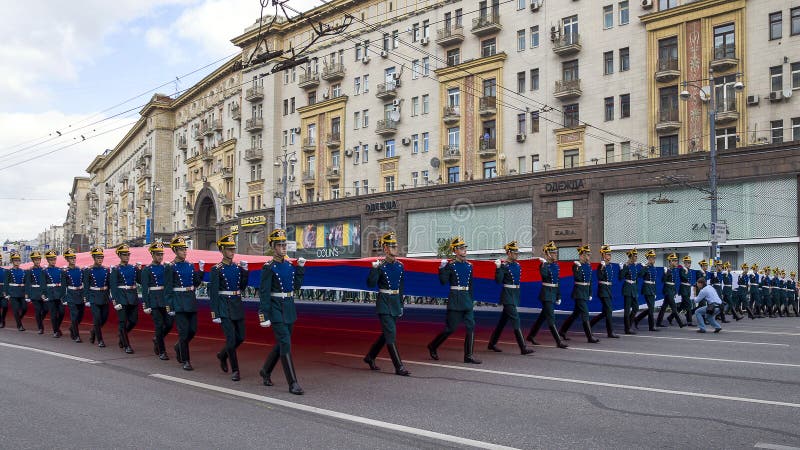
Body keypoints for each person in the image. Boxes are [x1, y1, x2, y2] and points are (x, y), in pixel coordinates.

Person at [259, 229, 306, 394]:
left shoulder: (289, 266)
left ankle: (265, 370)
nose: (283, 247)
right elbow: (264, 292)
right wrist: (263, 314)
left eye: (284, 244)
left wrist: (300, 269)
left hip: (289, 307)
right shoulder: (268, 267)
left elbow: (296, 287)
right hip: (276, 308)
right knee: (285, 343)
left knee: (281, 344)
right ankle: (293, 382)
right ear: (273, 246)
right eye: (279, 245)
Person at [364, 232, 413, 375]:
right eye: (392, 246)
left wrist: (401, 304)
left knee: (386, 334)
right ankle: (399, 367)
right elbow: (370, 284)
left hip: (395, 303)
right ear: (385, 249)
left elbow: (401, 287)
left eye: (395, 246)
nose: (395, 248)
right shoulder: (380, 266)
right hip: (384, 304)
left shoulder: (400, 266)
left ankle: (370, 356)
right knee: (391, 333)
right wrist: (373, 269)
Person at [428, 237, 482, 363]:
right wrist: (441, 269)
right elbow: (443, 282)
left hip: (466, 300)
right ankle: (433, 345)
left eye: (465, 248)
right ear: (455, 251)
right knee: (450, 329)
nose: (464, 250)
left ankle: (468, 356)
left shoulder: (469, 266)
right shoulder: (451, 265)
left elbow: (471, 285)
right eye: (461, 248)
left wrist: (471, 300)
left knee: (471, 327)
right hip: (456, 300)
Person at [209, 234, 249, 382]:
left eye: (233, 249)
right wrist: (215, 313)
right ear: (222, 250)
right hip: (224, 305)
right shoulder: (216, 269)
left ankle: (222, 354)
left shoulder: (238, 268)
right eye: (229, 249)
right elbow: (213, 293)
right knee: (231, 340)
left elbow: (242, 287)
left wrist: (245, 272)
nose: (232, 252)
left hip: (237, 304)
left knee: (241, 337)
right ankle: (236, 370)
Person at [487, 241, 535, 354]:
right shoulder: (504, 266)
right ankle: (523, 347)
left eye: (517, 252)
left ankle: (492, 343)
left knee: (502, 322)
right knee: (516, 319)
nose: (516, 254)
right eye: (514, 252)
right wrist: (498, 268)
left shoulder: (517, 265)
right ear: (508, 253)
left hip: (515, 294)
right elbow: (498, 281)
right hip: (507, 296)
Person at [165, 236, 204, 370]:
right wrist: (169, 306)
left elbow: (196, 283)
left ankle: (178, 346)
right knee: (183, 332)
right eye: (181, 250)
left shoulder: (190, 265)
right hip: (179, 302)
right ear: (175, 251)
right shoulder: (170, 267)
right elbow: (168, 288)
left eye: (185, 249)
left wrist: (201, 271)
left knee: (193, 330)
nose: (184, 252)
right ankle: (186, 361)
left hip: (190, 300)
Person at [526, 241, 569, 349]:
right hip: (546, 294)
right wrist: (544, 263)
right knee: (551, 317)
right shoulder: (544, 265)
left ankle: (531, 336)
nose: (555, 254)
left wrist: (558, 296)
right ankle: (558, 341)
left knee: (543, 316)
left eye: (555, 252)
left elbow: (557, 282)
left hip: (553, 293)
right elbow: (544, 275)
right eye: (553, 253)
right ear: (548, 254)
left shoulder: (556, 266)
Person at [558, 244, 600, 343]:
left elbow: (589, 281)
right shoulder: (576, 266)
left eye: (589, 255)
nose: (589, 257)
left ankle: (562, 331)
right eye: (587, 255)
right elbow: (578, 278)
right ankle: (590, 337)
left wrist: (590, 293)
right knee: (585, 313)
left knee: (575, 314)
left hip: (585, 292)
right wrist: (579, 266)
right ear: (582, 255)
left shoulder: (588, 266)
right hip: (579, 293)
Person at [141, 241, 172, 360]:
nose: (160, 256)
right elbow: (144, 289)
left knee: (169, 324)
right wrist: (146, 304)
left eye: (161, 254)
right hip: (154, 300)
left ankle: (157, 339)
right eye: (158, 254)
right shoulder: (147, 269)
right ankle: (162, 351)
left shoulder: (166, 267)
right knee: (159, 325)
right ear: (152, 255)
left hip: (165, 299)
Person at [109, 244, 140, 354]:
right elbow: (113, 286)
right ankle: (126, 345)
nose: (127, 256)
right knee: (123, 322)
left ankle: (122, 335)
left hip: (132, 296)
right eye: (124, 255)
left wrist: (139, 270)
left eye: (128, 254)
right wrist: (115, 301)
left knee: (133, 320)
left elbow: (140, 280)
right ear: (120, 256)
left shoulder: (133, 268)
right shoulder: (116, 269)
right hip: (121, 297)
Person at [84, 246, 111, 347]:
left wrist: (109, 295)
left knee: (104, 318)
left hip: (104, 296)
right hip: (94, 297)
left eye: (101, 258)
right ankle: (100, 340)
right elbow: (86, 286)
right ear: (94, 258)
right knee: (97, 318)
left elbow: (109, 284)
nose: (100, 260)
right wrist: (86, 299)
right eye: (98, 258)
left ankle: (93, 331)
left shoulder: (105, 270)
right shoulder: (88, 270)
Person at [590, 245, 619, 338]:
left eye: (610, 255)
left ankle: (589, 325)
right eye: (607, 255)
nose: (609, 256)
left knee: (605, 312)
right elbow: (599, 277)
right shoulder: (601, 266)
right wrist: (602, 267)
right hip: (603, 290)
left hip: (608, 290)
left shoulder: (610, 266)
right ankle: (610, 332)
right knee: (609, 311)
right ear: (603, 255)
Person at [656, 253, 686, 328]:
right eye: (674, 261)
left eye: (676, 260)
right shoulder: (667, 270)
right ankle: (680, 324)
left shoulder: (675, 270)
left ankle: (658, 323)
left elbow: (674, 282)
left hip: (671, 290)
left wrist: (675, 291)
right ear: (670, 262)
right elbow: (663, 280)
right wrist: (666, 273)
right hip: (667, 290)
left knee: (663, 307)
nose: (676, 262)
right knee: (674, 307)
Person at [633, 250, 660, 332]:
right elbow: (640, 275)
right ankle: (651, 327)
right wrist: (644, 267)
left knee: (651, 309)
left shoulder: (654, 268)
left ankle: (637, 319)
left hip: (652, 289)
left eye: (654, 258)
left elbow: (654, 281)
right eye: (651, 258)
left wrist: (655, 291)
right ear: (648, 259)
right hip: (647, 289)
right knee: (651, 309)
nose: (653, 259)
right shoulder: (646, 267)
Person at [63, 248, 86, 342]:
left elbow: (85, 282)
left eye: (74, 257)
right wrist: (64, 298)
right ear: (67, 260)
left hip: (80, 294)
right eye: (70, 258)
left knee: (80, 315)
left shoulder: (80, 270)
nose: (73, 259)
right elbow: (63, 286)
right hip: (71, 294)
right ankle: (76, 335)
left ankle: (72, 327)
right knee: (74, 315)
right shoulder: (65, 272)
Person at [43, 250, 66, 338]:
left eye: (54, 259)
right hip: (50, 294)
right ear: (48, 260)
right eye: (51, 259)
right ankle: (55, 331)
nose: (53, 261)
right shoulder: (45, 271)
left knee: (61, 312)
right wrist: (43, 293)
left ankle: (57, 327)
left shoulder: (59, 270)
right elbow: (43, 284)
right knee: (53, 313)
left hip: (59, 293)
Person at [619, 249, 641, 334]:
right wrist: (622, 268)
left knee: (636, 308)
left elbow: (636, 278)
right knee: (627, 310)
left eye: (636, 256)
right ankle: (627, 329)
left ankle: (629, 325)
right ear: (631, 257)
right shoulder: (626, 265)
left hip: (634, 289)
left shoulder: (634, 266)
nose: (636, 257)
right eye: (635, 256)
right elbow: (621, 277)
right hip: (628, 289)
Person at [25, 251, 48, 334]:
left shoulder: (44, 270)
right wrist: (27, 293)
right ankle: (40, 328)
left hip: (43, 292)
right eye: (35, 260)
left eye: (38, 259)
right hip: (34, 293)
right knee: (38, 310)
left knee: (46, 309)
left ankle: (39, 320)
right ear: (33, 261)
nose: (37, 261)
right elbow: (27, 282)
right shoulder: (30, 271)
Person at [6, 251, 28, 331]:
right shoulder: (9, 271)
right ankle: (19, 326)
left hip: (21, 292)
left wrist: (26, 292)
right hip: (13, 292)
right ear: (12, 261)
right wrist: (7, 293)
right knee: (16, 309)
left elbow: (25, 282)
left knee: (25, 308)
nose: (17, 262)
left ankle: (18, 319)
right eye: (15, 260)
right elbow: (6, 283)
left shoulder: (23, 271)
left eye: (18, 260)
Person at [679, 256, 695, 325]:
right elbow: (684, 278)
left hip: (688, 289)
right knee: (689, 304)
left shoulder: (689, 270)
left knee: (682, 305)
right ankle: (689, 321)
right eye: (688, 263)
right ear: (684, 263)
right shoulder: (682, 269)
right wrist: (686, 273)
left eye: (690, 263)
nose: (689, 264)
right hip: (684, 289)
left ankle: (670, 317)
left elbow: (690, 279)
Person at [0, 254, 7, 328]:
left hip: (3, 291)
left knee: (5, 306)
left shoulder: (5, 270)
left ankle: (3, 318)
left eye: (0, 260)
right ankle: (1, 321)